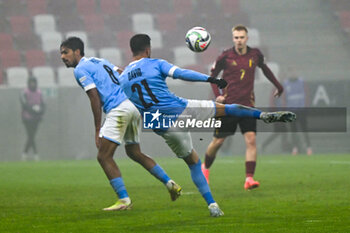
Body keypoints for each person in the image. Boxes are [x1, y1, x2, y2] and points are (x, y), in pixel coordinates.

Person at [117, 34, 296, 217]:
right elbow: (182, 74)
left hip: (162, 126)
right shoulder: (155, 63)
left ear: (131, 51)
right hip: (181, 109)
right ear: (148, 49)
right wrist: (210, 80)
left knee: (193, 163)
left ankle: (212, 205)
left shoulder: (123, 79)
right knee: (229, 109)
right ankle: (263, 115)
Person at [60, 37, 182, 211]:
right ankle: (170, 183)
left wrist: (97, 129)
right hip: (132, 105)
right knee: (134, 152)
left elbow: (94, 97)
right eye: (61, 53)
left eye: (65, 52)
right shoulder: (100, 61)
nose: (63, 57)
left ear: (77, 51)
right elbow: (122, 72)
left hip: (119, 109)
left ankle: (124, 200)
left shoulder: (80, 69)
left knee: (103, 156)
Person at [201, 25, 284, 190]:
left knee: (251, 140)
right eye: (236, 37)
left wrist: (278, 85)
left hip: (247, 106)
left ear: (247, 38)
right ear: (233, 39)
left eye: (241, 37)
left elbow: (265, 70)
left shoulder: (255, 54)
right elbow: (212, 77)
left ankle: (249, 179)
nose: (239, 40)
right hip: (229, 107)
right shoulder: (225, 56)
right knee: (218, 141)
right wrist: (218, 94)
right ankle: (205, 168)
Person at [283, 72, 312, 155]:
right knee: (293, 131)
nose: (293, 74)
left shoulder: (301, 82)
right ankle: (295, 148)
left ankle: (308, 147)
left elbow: (307, 94)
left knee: (304, 129)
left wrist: (306, 107)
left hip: (301, 110)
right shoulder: (286, 83)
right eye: (291, 72)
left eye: (294, 72)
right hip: (291, 111)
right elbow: (284, 98)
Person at [20, 77, 45, 161]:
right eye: (31, 82)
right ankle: (35, 153)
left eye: (34, 82)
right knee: (31, 135)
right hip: (27, 118)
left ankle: (25, 153)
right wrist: (33, 110)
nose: (32, 84)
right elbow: (24, 105)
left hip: (36, 118)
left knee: (31, 136)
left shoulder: (39, 92)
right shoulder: (25, 92)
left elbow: (43, 105)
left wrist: (40, 111)